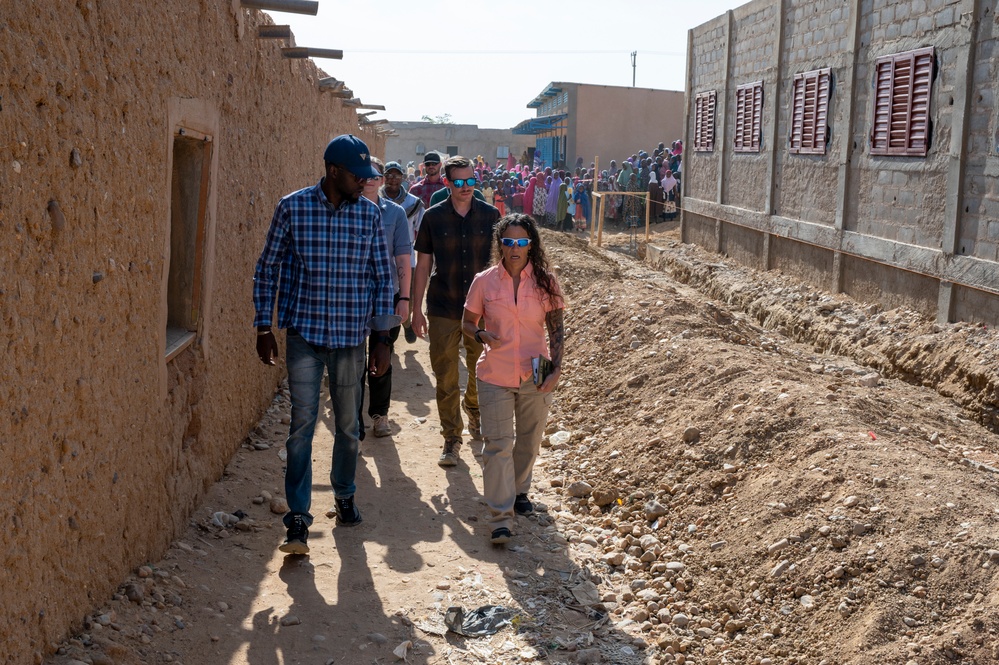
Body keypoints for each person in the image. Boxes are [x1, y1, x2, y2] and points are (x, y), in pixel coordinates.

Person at [253, 134, 399, 554]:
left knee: (349, 427)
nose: (364, 183)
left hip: (351, 339)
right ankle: (298, 517)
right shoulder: (292, 208)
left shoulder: (369, 216)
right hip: (305, 336)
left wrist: (382, 337)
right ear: (333, 172)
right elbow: (268, 269)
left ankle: (345, 494)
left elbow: (381, 279)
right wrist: (264, 326)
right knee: (301, 428)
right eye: (358, 176)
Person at [461, 213, 564, 545]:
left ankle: (519, 490)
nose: (515, 248)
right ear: (500, 246)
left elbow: (557, 329)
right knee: (498, 445)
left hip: (538, 368)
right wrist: (479, 334)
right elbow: (467, 321)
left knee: (530, 440)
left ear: (530, 245)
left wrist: (557, 367)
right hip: (495, 371)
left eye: (521, 242)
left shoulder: (546, 281)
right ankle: (500, 517)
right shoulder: (484, 281)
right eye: (509, 242)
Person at [411, 156, 501, 467]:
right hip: (442, 306)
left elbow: (500, 265)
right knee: (445, 374)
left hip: (481, 311)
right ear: (447, 183)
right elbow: (423, 265)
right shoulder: (433, 218)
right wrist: (415, 310)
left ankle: (473, 409)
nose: (466, 187)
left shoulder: (491, 216)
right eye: (459, 182)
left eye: (470, 181)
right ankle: (451, 437)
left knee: (482, 370)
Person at [358, 158, 412, 438]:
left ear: (380, 180)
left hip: (386, 294)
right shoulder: (345, 208)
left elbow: (403, 256)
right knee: (353, 357)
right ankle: (353, 417)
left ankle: (379, 414)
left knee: (383, 355)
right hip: (352, 296)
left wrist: (404, 297)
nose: (370, 179)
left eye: (375, 175)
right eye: (365, 174)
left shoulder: (395, 214)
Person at [380, 161, 425, 344]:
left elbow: (421, 230)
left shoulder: (413, 204)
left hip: (406, 259)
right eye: (388, 175)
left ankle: (406, 325)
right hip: (382, 257)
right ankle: (387, 337)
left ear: (403, 179)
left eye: (396, 175)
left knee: (407, 296)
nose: (392, 180)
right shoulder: (375, 200)